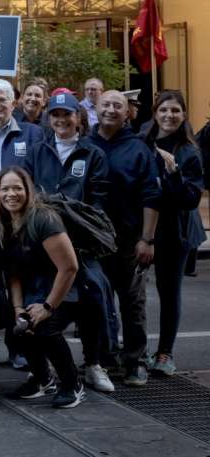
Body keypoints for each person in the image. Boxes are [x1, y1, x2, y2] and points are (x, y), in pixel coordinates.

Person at [83, 89, 160, 386]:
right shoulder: (85, 145)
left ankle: (136, 361)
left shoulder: (139, 149)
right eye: (106, 105)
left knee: (132, 302)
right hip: (93, 240)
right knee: (97, 302)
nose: (111, 110)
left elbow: (152, 196)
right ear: (96, 109)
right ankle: (101, 359)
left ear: (128, 112)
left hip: (129, 239)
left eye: (118, 105)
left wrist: (148, 239)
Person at [0, 167, 87, 409]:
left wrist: (47, 306)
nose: (10, 194)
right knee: (17, 326)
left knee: (43, 326)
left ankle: (72, 384)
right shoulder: (5, 222)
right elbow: (12, 273)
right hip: (33, 290)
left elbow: (69, 268)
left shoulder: (43, 218)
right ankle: (43, 379)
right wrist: (17, 308)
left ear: (28, 190)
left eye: (17, 188)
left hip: (65, 290)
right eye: (5, 189)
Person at [144, 90, 204, 377]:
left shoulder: (189, 151)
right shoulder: (142, 141)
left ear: (183, 115)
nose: (169, 116)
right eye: (164, 110)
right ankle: (134, 349)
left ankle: (165, 352)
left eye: (175, 111)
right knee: (131, 294)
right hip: (142, 229)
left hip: (174, 232)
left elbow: (191, 199)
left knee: (169, 293)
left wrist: (174, 172)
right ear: (155, 113)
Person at [27, 92, 108, 208]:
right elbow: (28, 190)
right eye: (55, 115)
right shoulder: (35, 152)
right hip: (42, 222)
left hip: (78, 223)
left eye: (67, 114)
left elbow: (98, 199)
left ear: (78, 117)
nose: (61, 120)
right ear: (49, 119)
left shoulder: (94, 154)